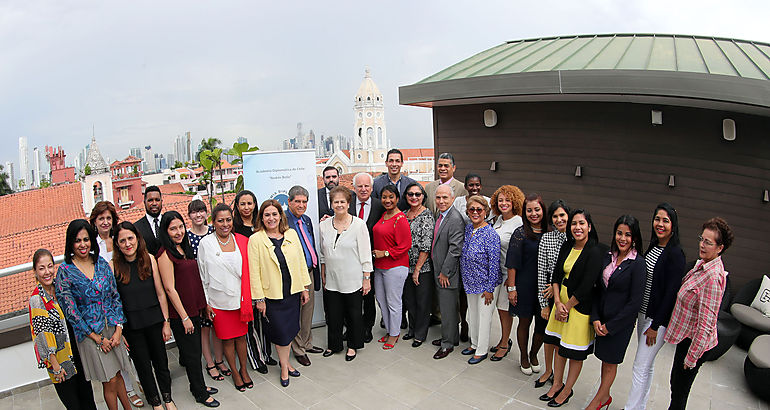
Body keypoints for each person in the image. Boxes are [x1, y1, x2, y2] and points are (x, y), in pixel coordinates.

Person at [55, 220, 133, 410]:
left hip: (112, 329)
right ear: (70, 243)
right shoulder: (65, 271)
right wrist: (97, 339)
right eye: (77, 240)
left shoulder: (101, 263)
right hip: (90, 336)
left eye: (86, 239)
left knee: (119, 374)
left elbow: (115, 296)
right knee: (109, 379)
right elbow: (71, 312)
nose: (83, 244)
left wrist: (118, 330)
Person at [665, 217, 733, 410]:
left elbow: (707, 323)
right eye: (701, 239)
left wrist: (692, 357)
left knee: (679, 391)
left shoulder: (713, 277)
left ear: (720, 248)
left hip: (695, 342)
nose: (702, 245)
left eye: (708, 242)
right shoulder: (702, 265)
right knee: (675, 384)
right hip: (687, 337)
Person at [540, 209, 606, 407]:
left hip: (578, 308)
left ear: (589, 226)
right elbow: (556, 276)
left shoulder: (594, 251)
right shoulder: (567, 245)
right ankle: (557, 384)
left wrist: (567, 307)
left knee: (573, 352)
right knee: (559, 346)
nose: (577, 227)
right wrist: (558, 304)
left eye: (581, 223)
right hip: (560, 303)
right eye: (574, 224)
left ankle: (567, 390)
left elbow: (587, 285)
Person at [623, 203, 685, 410]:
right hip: (643, 314)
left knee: (639, 366)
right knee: (646, 367)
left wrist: (656, 326)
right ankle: (639, 407)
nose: (660, 224)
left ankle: (631, 408)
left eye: (665, 220)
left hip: (655, 320)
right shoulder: (653, 246)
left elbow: (671, 294)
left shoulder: (675, 253)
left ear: (673, 225)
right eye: (657, 219)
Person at [156, 211, 220, 407]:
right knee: (192, 355)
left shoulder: (184, 248)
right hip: (181, 314)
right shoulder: (165, 255)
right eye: (173, 229)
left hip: (194, 310)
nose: (178, 232)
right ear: (165, 232)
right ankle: (200, 393)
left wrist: (203, 305)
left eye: (180, 227)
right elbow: (169, 288)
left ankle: (198, 385)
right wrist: (184, 317)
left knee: (196, 351)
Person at [111, 222, 176, 410]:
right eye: (122, 241)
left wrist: (166, 322)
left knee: (161, 363)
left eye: (130, 238)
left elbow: (161, 293)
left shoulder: (149, 259)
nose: (127, 244)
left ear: (137, 239)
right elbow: (114, 302)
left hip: (155, 321)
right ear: (117, 244)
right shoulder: (113, 266)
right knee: (143, 367)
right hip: (132, 327)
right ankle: (155, 402)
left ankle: (168, 398)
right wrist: (120, 332)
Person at [247, 200, 312, 387]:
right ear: (261, 218)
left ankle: (286, 362)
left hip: (292, 292)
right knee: (281, 332)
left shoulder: (291, 233)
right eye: (267, 215)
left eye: (274, 214)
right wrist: (259, 298)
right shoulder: (256, 239)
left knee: (291, 329)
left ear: (280, 216)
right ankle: (285, 367)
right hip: (272, 295)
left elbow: (300, 261)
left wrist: (304, 288)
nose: (271, 218)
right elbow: (254, 271)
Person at [586, 215, 645, 410]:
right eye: (620, 233)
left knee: (611, 363)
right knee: (605, 360)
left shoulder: (637, 264)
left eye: (628, 235)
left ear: (634, 238)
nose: (623, 238)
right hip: (601, 319)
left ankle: (598, 401)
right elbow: (598, 289)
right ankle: (606, 396)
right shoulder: (607, 256)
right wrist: (595, 318)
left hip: (619, 325)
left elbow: (634, 303)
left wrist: (611, 327)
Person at [29, 248, 98, 410]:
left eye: (50, 266)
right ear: (35, 271)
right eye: (41, 268)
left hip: (76, 354)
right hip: (60, 362)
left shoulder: (59, 289)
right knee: (74, 405)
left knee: (88, 400)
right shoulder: (37, 299)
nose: (47, 272)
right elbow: (42, 337)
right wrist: (56, 367)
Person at [90, 201, 144, 407]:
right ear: (95, 221)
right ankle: (129, 390)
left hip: (128, 298)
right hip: (109, 307)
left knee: (134, 348)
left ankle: (139, 382)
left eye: (108, 218)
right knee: (119, 352)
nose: (105, 222)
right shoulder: (92, 244)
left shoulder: (120, 239)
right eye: (101, 218)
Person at [197, 204, 254, 392]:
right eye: (220, 220)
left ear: (232, 220)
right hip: (218, 302)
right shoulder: (206, 243)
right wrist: (206, 303)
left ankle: (244, 370)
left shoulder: (242, 241)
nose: (225, 224)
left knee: (242, 338)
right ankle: (235, 374)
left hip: (241, 299)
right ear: (213, 222)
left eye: (228, 220)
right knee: (228, 340)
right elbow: (202, 275)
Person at [319, 186, 373, 360]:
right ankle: (334, 345)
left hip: (353, 279)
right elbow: (322, 253)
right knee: (333, 314)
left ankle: (352, 345)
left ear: (349, 203)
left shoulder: (359, 225)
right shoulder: (324, 225)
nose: (339, 205)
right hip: (333, 278)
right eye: (336, 202)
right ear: (331, 204)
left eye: (343, 201)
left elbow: (366, 254)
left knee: (353, 314)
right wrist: (323, 274)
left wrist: (367, 279)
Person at [186, 199, 229, 382]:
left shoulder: (214, 232)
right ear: (189, 216)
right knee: (204, 327)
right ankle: (210, 363)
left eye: (201, 211)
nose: (198, 215)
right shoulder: (187, 237)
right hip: (198, 286)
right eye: (194, 212)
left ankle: (219, 360)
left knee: (216, 326)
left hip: (217, 284)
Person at [507, 194, 549, 374]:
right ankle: (523, 356)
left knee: (541, 325)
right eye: (529, 210)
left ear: (543, 210)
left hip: (545, 289)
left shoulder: (551, 232)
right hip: (524, 286)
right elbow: (512, 263)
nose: (533, 213)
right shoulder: (520, 233)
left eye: (537, 209)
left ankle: (534, 354)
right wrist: (512, 288)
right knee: (524, 323)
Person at [232, 190, 273, 371]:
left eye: (250, 203)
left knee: (265, 319)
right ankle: (256, 359)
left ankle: (266, 354)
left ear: (255, 204)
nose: (247, 207)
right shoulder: (233, 227)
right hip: (244, 279)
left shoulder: (261, 224)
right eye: (243, 204)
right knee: (251, 322)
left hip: (264, 277)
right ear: (237, 206)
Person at [285, 186, 324, 366]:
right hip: (294, 275)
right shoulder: (283, 221)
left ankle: (307, 344)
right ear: (289, 202)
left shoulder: (307, 220)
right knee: (297, 313)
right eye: (297, 201)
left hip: (309, 272)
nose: (301, 205)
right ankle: (298, 349)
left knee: (308, 311)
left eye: (304, 202)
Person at [459, 195, 501, 364]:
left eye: (479, 210)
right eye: (472, 209)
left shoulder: (490, 234)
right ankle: (474, 343)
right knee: (473, 315)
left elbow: (495, 262)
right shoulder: (469, 229)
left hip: (486, 284)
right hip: (470, 281)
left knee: (484, 318)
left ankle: (482, 350)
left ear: (486, 212)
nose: (475, 212)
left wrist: (490, 288)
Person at [534, 200, 570, 388]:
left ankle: (559, 378)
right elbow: (541, 271)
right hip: (548, 296)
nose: (559, 219)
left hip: (568, 297)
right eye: (555, 216)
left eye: (562, 215)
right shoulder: (546, 239)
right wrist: (543, 304)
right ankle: (548, 370)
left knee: (562, 341)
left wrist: (556, 285)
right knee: (548, 337)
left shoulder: (575, 238)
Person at [372, 185, 412, 349]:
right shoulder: (384, 215)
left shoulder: (400, 219)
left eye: (391, 197)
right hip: (379, 267)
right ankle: (390, 330)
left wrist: (385, 253)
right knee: (381, 300)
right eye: (384, 197)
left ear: (397, 198)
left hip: (395, 266)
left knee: (393, 302)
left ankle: (394, 334)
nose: (387, 200)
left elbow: (406, 245)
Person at [488, 185, 525, 362]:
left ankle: (504, 343)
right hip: (496, 273)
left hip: (508, 275)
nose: (504, 203)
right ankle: (503, 339)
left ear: (515, 202)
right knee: (498, 309)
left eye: (507, 200)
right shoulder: (498, 220)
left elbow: (520, 254)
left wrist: (512, 280)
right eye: (500, 200)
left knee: (504, 310)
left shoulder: (518, 222)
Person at [348, 172, 385, 343]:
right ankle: (352, 327)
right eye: (360, 186)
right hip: (350, 258)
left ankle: (367, 327)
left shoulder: (380, 206)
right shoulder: (347, 205)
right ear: (354, 188)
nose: (363, 189)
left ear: (372, 188)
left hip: (371, 259)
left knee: (368, 295)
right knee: (351, 296)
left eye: (366, 186)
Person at [430, 184, 465, 360]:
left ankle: (447, 344)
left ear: (452, 199)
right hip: (439, 271)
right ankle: (451, 337)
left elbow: (455, 249)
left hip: (447, 274)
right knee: (447, 308)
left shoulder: (455, 219)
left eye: (445, 198)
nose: (441, 201)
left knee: (448, 309)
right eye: (438, 198)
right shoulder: (441, 215)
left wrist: (445, 272)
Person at [402, 182, 434, 347]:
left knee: (422, 302)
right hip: (404, 267)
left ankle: (420, 334)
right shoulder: (403, 214)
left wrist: (417, 270)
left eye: (417, 194)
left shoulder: (427, 215)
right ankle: (412, 329)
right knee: (409, 300)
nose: (414, 197)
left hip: (422, 268)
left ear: (423, 197)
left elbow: (426, 245)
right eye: (410, 194)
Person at [134, 186, 164, 256]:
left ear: (161, 201)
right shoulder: (136, 228)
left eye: (157, 200)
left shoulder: (169, 223)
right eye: (150, 200)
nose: (154, 203)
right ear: (144, 202)